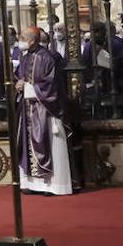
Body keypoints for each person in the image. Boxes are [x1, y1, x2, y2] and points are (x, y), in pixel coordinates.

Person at [15, 26, 73, 195]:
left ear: (32, 40)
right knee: (28, 145)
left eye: (23, 37)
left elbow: (51, 86)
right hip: (28, 109)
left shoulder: (48, 57)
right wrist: (19, 85)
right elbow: (21, 78)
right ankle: (32, 184)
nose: (20, 40)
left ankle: (53, 186)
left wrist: (27, 87)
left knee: (51, 146)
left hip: (46, 110)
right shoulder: (25, 57)